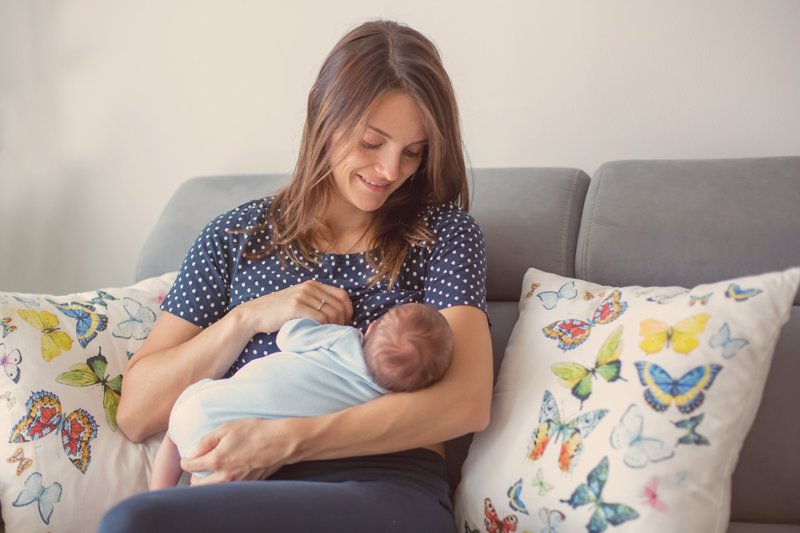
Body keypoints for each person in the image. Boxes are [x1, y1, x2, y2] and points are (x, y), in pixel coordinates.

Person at [101, 19, 492, 533]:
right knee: (133, 521)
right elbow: (137, 412)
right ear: (324, 115)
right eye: (372, 142)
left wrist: (288, 439)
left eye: (412, 151)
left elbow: (465, 402)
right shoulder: (233, 238)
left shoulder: (443, 234)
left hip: (383, 485)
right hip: (238, 489)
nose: (391, 170)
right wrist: (246, 319)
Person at [150, 302, 454, 489]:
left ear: (371, 327)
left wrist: (324, 323)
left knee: (174, 437)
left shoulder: (343, 339)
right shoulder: (376, 403)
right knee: (208, 489)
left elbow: (289, 335)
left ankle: (158, 494)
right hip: (232, 445)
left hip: (203, 404)